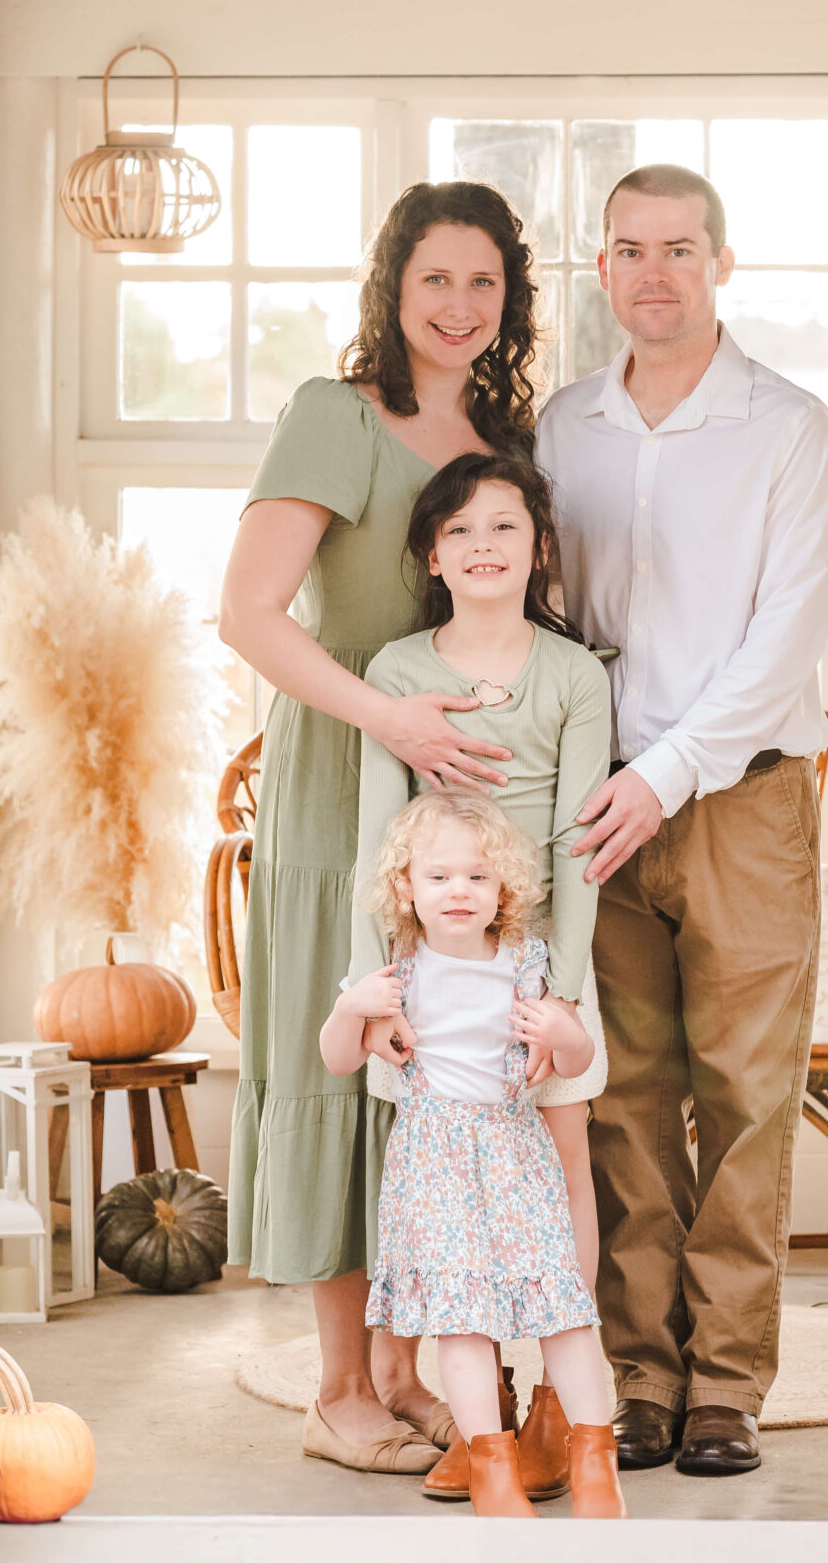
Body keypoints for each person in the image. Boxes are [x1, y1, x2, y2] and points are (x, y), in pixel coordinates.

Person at [219, 181, 540, 1476]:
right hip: (337, 791)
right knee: (346, 1055)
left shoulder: (497, 434)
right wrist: (390, 720)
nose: (459, 308)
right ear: (391, 289)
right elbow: (249, 614)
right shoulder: (333, 415)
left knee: (430, 1080)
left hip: (453, 806)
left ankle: (406, 1372)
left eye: (484, 284)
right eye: (435, 282)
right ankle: (337, 1381)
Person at [537, 163, 828, 1477]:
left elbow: (785, 641)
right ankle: (640, 1378)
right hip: (598, 807)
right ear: (601, 270)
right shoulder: (563, 427)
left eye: (679, 246)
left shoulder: (787, 426)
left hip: (740, 800)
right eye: (629, 248)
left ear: (722, 264)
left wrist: (667, 773)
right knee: (624, 1103)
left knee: (748, 1100)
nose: (653, 270)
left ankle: (726, 1384)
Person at [349, 452, 613, 1496]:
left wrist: (563, 998)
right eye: (458, 530)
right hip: (428, 971)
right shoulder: (396, 668)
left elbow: (580, 841)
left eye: (503, 526)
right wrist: (376, 989)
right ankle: (482, 1413)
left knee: (557, 1171)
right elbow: (379, 830)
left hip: (537, 964)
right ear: (430, 553)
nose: (483, 546)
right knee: (442, 1193)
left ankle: (559, 1402)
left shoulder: (572, 674)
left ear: (537, 546)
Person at [324, 787, 623, 1520]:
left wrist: (561, 1031)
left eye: (478, 877)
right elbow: (338, 1059)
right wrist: (348, 1008)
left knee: (565, 1310)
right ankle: (493, 1468)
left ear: (503, 891)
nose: (459, 890)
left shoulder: (525, 962)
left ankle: (594, 1463)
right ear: (407, 888)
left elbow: (577, 1058)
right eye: (439, 876)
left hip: (517, 1157)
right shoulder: (397, 974)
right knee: (461, 1320)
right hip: (434, 1164)